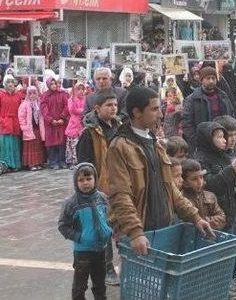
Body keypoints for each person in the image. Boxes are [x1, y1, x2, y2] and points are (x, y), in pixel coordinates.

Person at [106, 87, 213, 257]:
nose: (161, 115)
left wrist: (195, 216)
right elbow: (120, 194)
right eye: (154, 109)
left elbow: (170, 188)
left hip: (163, 230)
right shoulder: (119, 147)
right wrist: (135, 232)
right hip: (141, 235)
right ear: (137, 112)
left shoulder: (156, 143)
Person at [194, 119, 236, 295]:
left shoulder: (226, 154)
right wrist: (230, 170)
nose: (225, 140)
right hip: (217, 210)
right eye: (220, 137)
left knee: (234, 243)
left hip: (232, 207)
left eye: (224, 136)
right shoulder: (201, 159)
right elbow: (211, 184)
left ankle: (235, 274)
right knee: (221, 249)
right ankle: (223, 282)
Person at [76, 92, 121, 286]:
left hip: (120, 184)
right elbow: (84, 164)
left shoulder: (120, 127)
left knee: (122, 226)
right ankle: (107, 268)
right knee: (103, 230)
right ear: (97, 108)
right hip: (100, 188)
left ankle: (126, 264)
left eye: (115, 105)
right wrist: (90, 188)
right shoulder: (89, 133)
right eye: (108, 105)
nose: (113, 109)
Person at [58, 163, 113, 300]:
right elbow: (63, 226)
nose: (85, 183)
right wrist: (80, 237)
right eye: (81, 180)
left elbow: (111, 217)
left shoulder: (102, 198)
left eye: (89, 179)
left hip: (101, 250)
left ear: (95, 179)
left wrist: (110, 230)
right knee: (79, 286)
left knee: (100, 284)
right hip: (82, 252)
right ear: (76, 182)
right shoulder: (71, 203)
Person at [182, 66, 235, 152]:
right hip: (203, 145)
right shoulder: (192, 99)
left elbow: (231, 114)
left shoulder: (223, 96)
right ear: (201, 80)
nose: (211, 81)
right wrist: (197, 141)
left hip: (223, 142)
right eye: (208, 78)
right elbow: (187, 123)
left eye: (213, 78)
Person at [181, 159, 226, 230]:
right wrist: (199, 221)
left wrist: (203, 221)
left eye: (201, 177)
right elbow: (186, 224)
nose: (200, 182)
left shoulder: (210, 196)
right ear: (185, 182)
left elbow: (222, 217)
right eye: (194, 179)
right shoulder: (181, 199)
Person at [0, 75, 23, 171]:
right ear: (5, 84)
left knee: (15, 144)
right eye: (8, 82)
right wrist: (1, 120)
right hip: (5, 122)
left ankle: (15, 165)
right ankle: (5, 165)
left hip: (15, 122)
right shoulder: (0, 94)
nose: (10, 84)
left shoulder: (18, 94)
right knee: (6, 145)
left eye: (12, 82)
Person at [41, 75, 70, 170]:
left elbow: (67, 106)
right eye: (51, 84)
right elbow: (44, 109)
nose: (54, 85)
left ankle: (62, 161)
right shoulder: (45, 95)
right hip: (50, 124)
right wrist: (50, 120)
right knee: (52, 144)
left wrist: (62, 117)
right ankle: (53, 162)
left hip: (61, 123)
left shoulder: (62, 94)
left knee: (61, 143)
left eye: (55, 83)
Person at [17, 85, 46, 171]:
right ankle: (31, 163)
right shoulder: (24, 104)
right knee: (31, 147)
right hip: (29, 129)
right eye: (30, 93)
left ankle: (38, 162)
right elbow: (21, 116)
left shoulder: (39, 104)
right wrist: (24, 127)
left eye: (34, 93)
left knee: (38, 146)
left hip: (37, 128)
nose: (32, 95)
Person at [65, 81, 86, 168]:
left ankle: (81, 160)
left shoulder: (85, 99)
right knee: (73, 144)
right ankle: (72, 161)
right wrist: (81, 111)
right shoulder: (71, 99)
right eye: (78, 89)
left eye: (82, 89)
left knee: (81, 143)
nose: (81, 91)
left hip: (83, 124)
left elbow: (87, 110)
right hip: (74, 124)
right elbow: (73, 110)